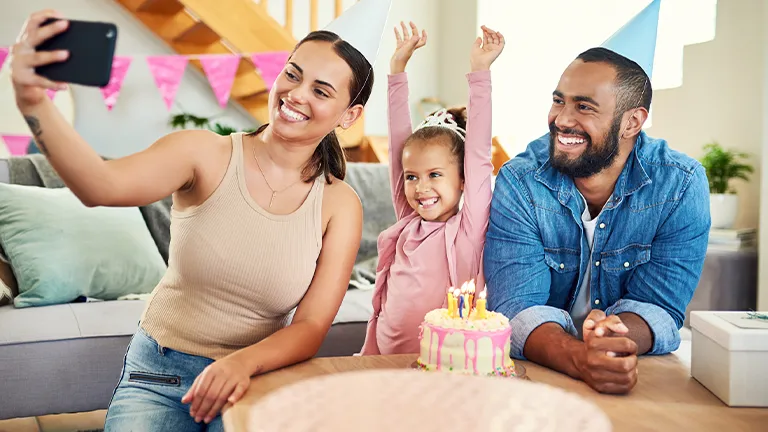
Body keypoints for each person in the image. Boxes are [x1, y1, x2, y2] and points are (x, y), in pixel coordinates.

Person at [10, 6, 387, 429]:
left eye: (321, 91)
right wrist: (32, 101)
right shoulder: (204, 154)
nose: (296, 95)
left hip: (255, 380)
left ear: (348, 115)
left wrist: (241, 365)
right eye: (294, 75)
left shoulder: (339, 205)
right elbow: (101, 186)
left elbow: (313, 325)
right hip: (159, 376)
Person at [483, 45, 711, 394]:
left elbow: (660, 308)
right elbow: (515, 310)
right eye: (559, 101)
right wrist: (579, 357)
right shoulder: (520, 181)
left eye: (584, 106)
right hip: (536, 380)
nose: (561, 119)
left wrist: (611, 337)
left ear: (632, 122)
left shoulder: (680, 184)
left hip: (634, 372)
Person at [360, 22, 504, 355]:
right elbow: (399, 147)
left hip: (443, 365)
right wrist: (397, 69)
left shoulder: (469, 227)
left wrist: (480, 71)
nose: (421, 187)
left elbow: (480, 151)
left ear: (464, 179)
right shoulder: (408, 220)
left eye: (435, 175)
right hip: (385, 360)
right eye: (412, 177)